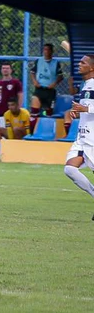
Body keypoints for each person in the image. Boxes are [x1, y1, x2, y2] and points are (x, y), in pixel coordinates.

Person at [61, 55, 94, 219]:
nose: (79, 64)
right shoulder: (86, 85)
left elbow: (88, 108)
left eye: (83, 63)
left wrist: (86, 109)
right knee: (69, 169)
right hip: (82, 138)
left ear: (92, 68)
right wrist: (77, 112)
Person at [32, 43, 65, 118]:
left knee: (49, 113)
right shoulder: (38, 61)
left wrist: (55, 83)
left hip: (50, 90)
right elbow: (32, 72)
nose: (46, 51)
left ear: (51, 51)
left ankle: (48, 126)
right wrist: (34, 81)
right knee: (34, 111)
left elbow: (61, 76)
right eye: (44, 49)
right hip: (39, 89)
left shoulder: (56, 63)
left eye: (48, 50)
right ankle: (33, 128)